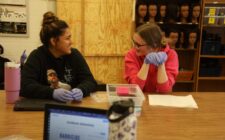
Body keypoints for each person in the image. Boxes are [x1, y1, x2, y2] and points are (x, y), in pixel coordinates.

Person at [20, 11, 97, 102]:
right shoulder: (37, 56)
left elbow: (90, 81)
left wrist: (81, 90)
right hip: (42, 109)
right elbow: (25, 86)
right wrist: (52, 93)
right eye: (67, 38)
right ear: (53, 41)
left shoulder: (75, 55)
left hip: (71, 108)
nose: (71, 42)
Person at [124, 23, 179, 93]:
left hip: (161, 100)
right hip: (140, 99)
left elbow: (164, 90)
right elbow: (136, 89)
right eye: (134, 42)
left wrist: (161, 65)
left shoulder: (171, 55)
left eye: (138, 45)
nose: (134, 47)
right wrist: (146, 63)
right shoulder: (131, 55)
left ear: (154, 45)